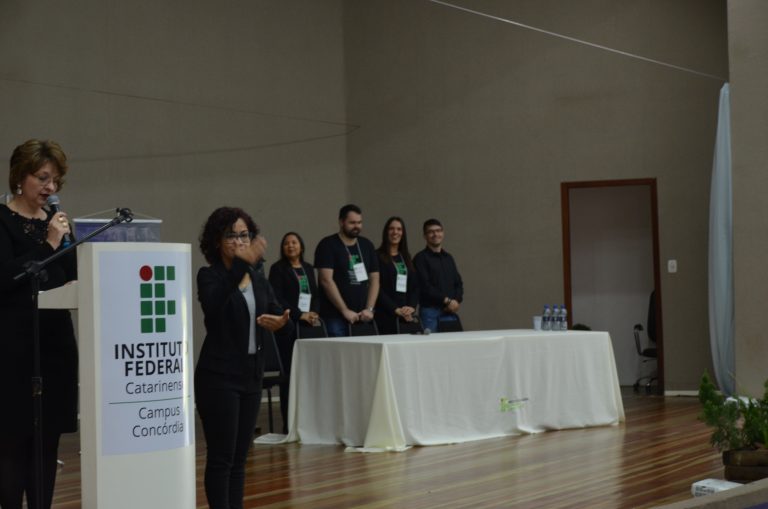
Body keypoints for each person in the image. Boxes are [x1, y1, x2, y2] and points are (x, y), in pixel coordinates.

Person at [195, 207, 292, 509]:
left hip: (251, 376)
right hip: (218, 378)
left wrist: (281, 321)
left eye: (244, 235)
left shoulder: (257, 278)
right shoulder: (210, 276)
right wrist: (241, 264)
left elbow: (277, 311)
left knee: (240, 459)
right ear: (216, 241)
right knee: (222, 458)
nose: (239, 241)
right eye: (231, 235)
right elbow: (214, 307)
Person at [0, 139, 77, 509]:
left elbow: (72, 277)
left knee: (47, 444)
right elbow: (6, 279)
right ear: (20, 176)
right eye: (43, 178)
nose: (51, 187)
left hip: (55, 346)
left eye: (56, 180)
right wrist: (48, 245)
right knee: (12, 445)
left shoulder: (55, 224)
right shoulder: (2, 221)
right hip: (14, 350)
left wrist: (63, 241)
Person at [268, 231, 320, 432]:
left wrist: (314, 312)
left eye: (294, 242)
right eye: (286, 243)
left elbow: (316, 294)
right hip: (289, 328)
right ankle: (289, 423)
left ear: (301, 246)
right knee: (289, 377)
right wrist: (299, 314)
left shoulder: (308, 268)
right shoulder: (277, 269)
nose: (290, 246)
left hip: (308, 328)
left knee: (309, 376)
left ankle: (309, 421)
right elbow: (278, 298)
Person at [314, 204, 380, 337]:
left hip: (362, 316)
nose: (357, 226)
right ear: (341, 222)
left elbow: (375, 279)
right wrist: (344, 310)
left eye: (359, 222)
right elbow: (326, 280)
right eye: (352, 223)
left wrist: (369, 309)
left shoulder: (366, 245)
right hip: (335, 316)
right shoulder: (327, 244)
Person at [413, 218, 464, 332]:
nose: (435, 234)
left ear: (443, 233)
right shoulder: (420, 258)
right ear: (425, 236)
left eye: (438, 230)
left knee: (453, 343)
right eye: (431, 232)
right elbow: (425, 287)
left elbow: (458, 283)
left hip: (449, 312)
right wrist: (448, 301)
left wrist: (456, 301)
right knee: (431, 343)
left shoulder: (448, 258)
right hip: (430, 313)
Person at [374, 217, 419, 334]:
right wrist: (395, 309)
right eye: (391, 229)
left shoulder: (406, 257)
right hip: (385, 315)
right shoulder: (376, 256)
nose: (395, 232)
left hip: (405, 316)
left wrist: (411, 307)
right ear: (386, 232)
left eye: (399, 229)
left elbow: (414, 286)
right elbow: (376, 288)